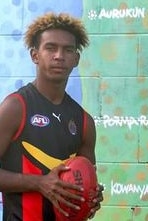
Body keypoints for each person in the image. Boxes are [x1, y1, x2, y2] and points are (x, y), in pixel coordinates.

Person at [0, 12, 103, 220]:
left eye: (68, 50)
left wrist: (92, 197)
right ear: (35, 55)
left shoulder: (84, 122)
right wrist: (39, 183)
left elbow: (85, 182)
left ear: (76, 59)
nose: (59, 56)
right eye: (50, 48)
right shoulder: (15, 107)